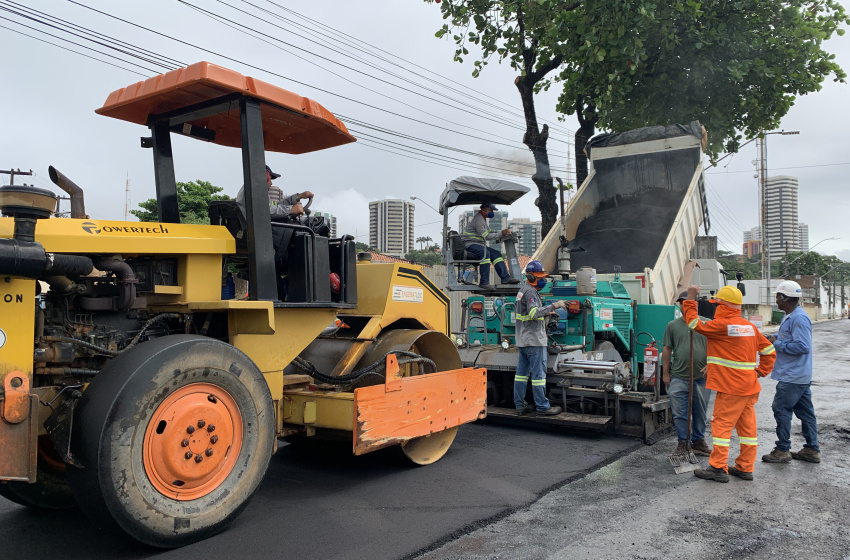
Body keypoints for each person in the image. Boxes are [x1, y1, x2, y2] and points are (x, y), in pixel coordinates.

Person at [682, 285, 776, 483]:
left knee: (722, 427)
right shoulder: (749, 327)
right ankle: (745, 467)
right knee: (747, 429)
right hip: (748, 387)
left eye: (717, 305)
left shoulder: (722, 325)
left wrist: (690, 299)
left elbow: (693, 324)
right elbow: (768, 350)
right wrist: (760, 372)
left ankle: (717, 468)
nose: (715, 308)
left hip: (731, 388)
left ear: (723, 305)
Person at [762, 280, 820, 464]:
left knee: (781, 408)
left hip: (793, 376)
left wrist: (776, 343)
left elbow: (803, 346)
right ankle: (811, 449)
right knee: (805, 412)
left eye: (778, 297)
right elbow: (790, 337)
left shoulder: (798, 318)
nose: (776, 301)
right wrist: (775, 337)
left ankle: (782, 449)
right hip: (799, 375)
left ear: (785, 297)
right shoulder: (791, 316)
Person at [662, 291, 712, 457]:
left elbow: (717, 348)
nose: (684, 305)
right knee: (679, 412)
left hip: (701, 378)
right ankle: (682, 442)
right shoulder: (672, 325)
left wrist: (712, 366)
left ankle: (698, 441)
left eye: (687, 302)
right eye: (682, 302)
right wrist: (666, 374)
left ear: (694, 304)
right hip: (679, 376)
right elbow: (667, 349)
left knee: (700, 411)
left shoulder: (706, 324)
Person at [513, 260, 564, 416]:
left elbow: (528, 313)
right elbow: (534, 313)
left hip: (523, 339)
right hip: (534, 340)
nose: (543, 280)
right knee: (538, 376)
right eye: (540, 276)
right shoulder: (530, 292)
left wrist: (546, 313)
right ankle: (543, 406)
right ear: (531, 276)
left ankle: (520, 405)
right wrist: (554, 306)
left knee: (521, 375)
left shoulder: (523, 290)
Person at [461, 201, 520, 289]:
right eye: (491, 210)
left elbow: (489, 231)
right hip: (470, 245)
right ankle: (484, 282)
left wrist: (501, 232)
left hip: (478, 244)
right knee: (486, 254)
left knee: (496, 254)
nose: (492, 212)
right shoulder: (479, 219)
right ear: (485, 209)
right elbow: (486, 235)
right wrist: (501, 234)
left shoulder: (482, 218)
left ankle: (505, 278)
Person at [235, 164, 313, 219]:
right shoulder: (255, 191)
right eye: (270, 179)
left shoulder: (249, 188)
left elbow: (274, 207)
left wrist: (299, 196)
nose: (271, 183)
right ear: (264, 177)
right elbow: (268, 211)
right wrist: (291, 209)